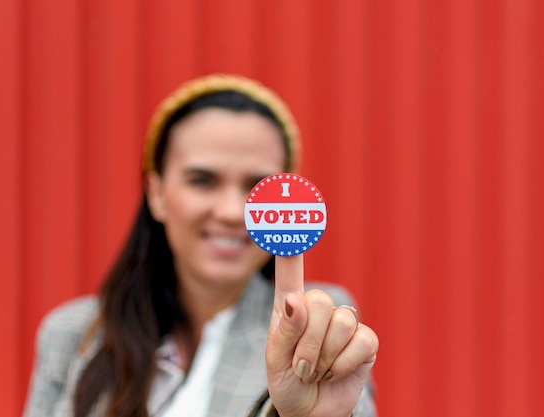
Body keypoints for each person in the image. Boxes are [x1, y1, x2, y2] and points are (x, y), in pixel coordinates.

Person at [23, 74, 379, 417]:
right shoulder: (71, 334)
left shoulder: (317, 325)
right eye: (202, 181)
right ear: (157, 192)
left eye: (257, 185)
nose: (231, 211)